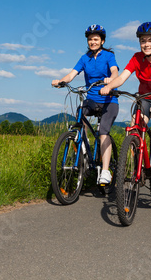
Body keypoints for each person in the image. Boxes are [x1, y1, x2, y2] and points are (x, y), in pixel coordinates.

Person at [100, 22, 151, 172]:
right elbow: (122, 77)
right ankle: (138, 161)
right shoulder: (136, 58)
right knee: (135, 126)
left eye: (150, 40)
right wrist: (109, 87)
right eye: (143, 41)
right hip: (145, 98)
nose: (146, 44)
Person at [51, 24, 119, 184]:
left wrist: (111, 80)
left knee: (103, 133)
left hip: (109, 101)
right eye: (90, 39)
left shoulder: (108, 56)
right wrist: (61, 81)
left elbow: (115, 71)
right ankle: (83, 146)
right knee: (80, 115)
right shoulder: (85, 58)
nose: (92, 42)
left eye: (96, 39)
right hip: (92, 100)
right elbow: (71, 74)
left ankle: (105, 171)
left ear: (102, 41)